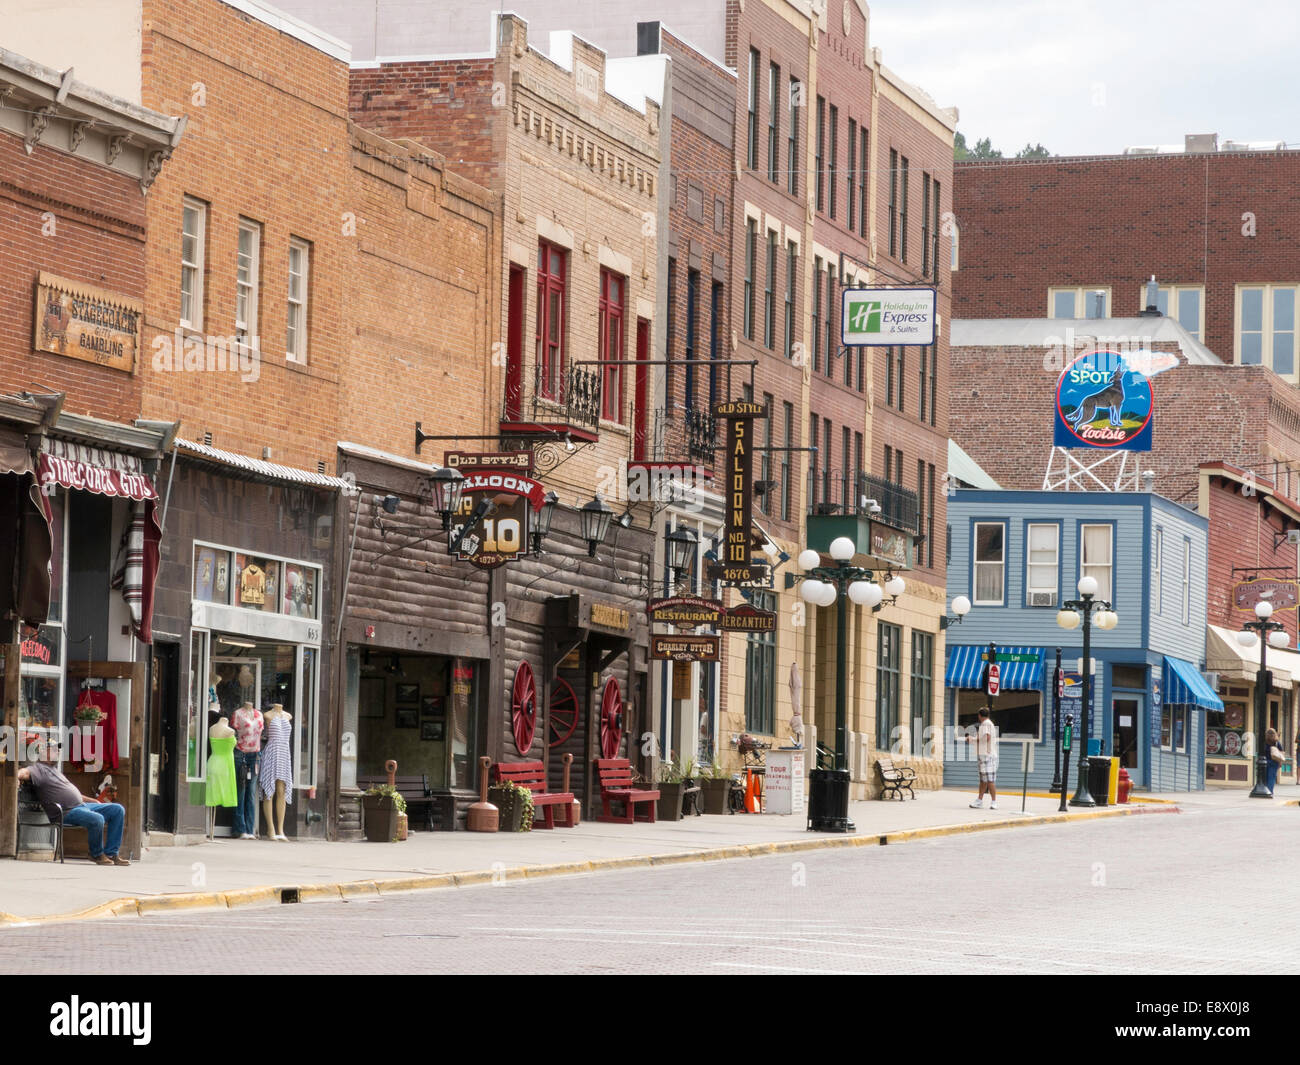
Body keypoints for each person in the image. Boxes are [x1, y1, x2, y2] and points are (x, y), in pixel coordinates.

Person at [16, 749, 129, 865]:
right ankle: (96, 854)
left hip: (82, 806)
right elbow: (24, 772)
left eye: (58, 751)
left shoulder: (55, 771)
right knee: (97, 818)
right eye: (53, 751)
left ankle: (111, 853)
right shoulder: (38, 769)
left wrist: (94, 800)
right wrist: (16, 777)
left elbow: (73, 793)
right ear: (44, 754)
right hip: (66, 812)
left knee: (117, 810)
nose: (57, 753)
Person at [966, 706, 998, 810]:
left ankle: (994, 802)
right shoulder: (987, 724)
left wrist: (972, 739)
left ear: (979, 716)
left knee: (989, 780)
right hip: (984, 755)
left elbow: (986, 738)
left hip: (987, 756)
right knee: (983, 780)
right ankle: (979, 800)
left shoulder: (986, 724)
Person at [1264, 727, 1285, 797]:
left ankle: (1266, 791)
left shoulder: (1265, 742)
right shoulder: (1277, 742)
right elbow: (1281, 753)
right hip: (1275, 762)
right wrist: (1280, 762)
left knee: (1266, 777)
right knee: (1272, 778)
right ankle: (1270, 792)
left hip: (1266, 761)